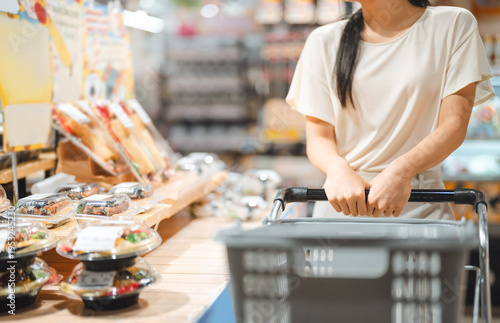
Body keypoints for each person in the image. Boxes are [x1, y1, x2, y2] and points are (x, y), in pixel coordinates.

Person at [286, 0, 495, 219]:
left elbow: (454, 125)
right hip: (340, 206)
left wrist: (402, 170)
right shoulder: (322, 41)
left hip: (419, 205)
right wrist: (337, 169)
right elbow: (319, 136)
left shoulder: (453, 24)